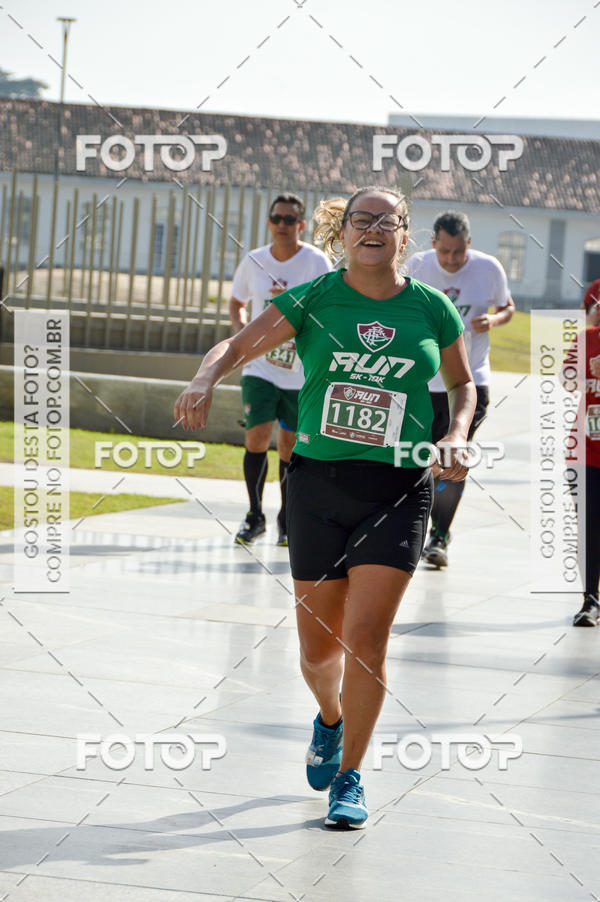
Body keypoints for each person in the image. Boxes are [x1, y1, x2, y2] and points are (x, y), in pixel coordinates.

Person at [174, 186, 476, 829]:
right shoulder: (313, 297)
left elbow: (461, 382)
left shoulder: (430, 308)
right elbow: (236, 345)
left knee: (367, 642)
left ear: (404, 234)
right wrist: (205, 378)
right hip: (315, 485)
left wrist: (455, 433)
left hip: (397, 487)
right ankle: (329, 720)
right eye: (360, 220)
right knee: (318, 653)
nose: (373, 230)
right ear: (342, 235)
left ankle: (351, 777)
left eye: (385, 221)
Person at [404, 211, 515, 567]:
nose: (451, 260)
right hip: (422, 380)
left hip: (470, 380)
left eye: (458, 252)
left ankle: (439, 535)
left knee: (452, 455)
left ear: (468, 243)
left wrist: (494, 320)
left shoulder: (488, 268)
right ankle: (415, 526)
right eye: (444, 251)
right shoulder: (417, 266)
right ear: (434, 243)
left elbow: (508, 307)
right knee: (419, 455)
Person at [228, 193, 331, 546]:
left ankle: (287, 519)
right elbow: (236, 301)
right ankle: (254, 515)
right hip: (260, 367)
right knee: (256, 436)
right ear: (269, 222)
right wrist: (243, 335)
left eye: (290, 220)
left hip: (300, 371)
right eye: (277, 218)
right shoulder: (254, 260)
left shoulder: (316, 262)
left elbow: (328, 306)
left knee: (289, 446)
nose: (282, 225)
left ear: (301, 225)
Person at [570, 281, 600, 626]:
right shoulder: (587, 338)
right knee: (589, 523)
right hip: (586, 448)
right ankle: (590, 598)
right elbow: (565, 377)